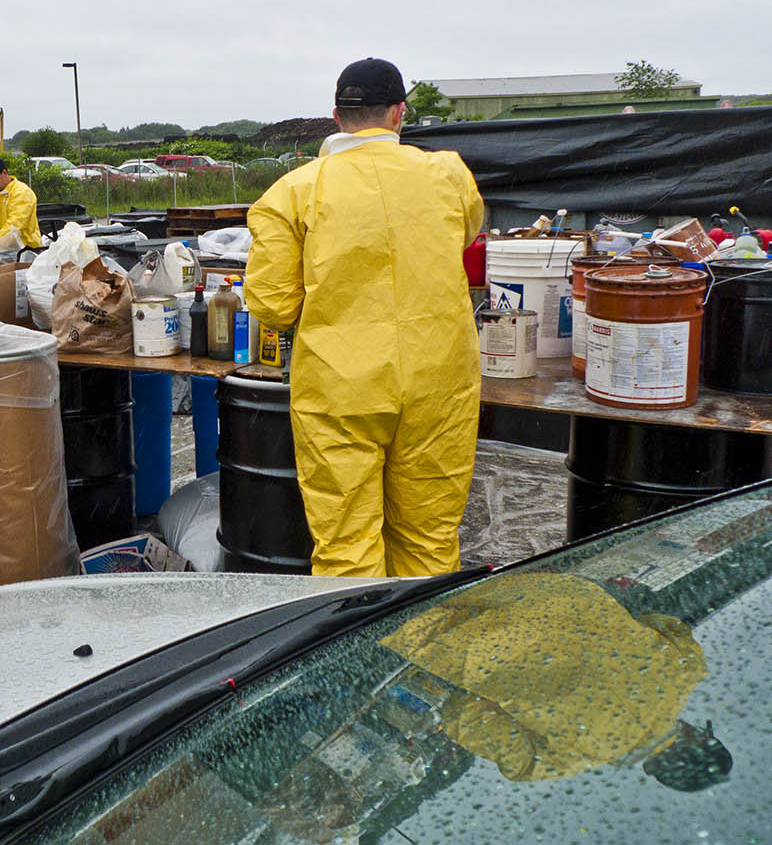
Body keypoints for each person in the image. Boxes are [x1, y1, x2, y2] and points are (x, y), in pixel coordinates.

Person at [244, 57, 484, 577]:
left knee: (346, 544)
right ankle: (424, 651)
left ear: (336, 114)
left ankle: (355, 654)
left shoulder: (291, 192)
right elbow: (461, 238)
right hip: (439, 380)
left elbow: (273, 306)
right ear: (400, 114)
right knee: (429, 536)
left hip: (340, 388)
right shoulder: (448, 175)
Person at [381, 572, 731, 790]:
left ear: (695, 733)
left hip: (520, 582)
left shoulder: (686, 669)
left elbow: (656, 619)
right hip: (439, 633)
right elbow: (463, 715)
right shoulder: (566, 759)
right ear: (653, 768)